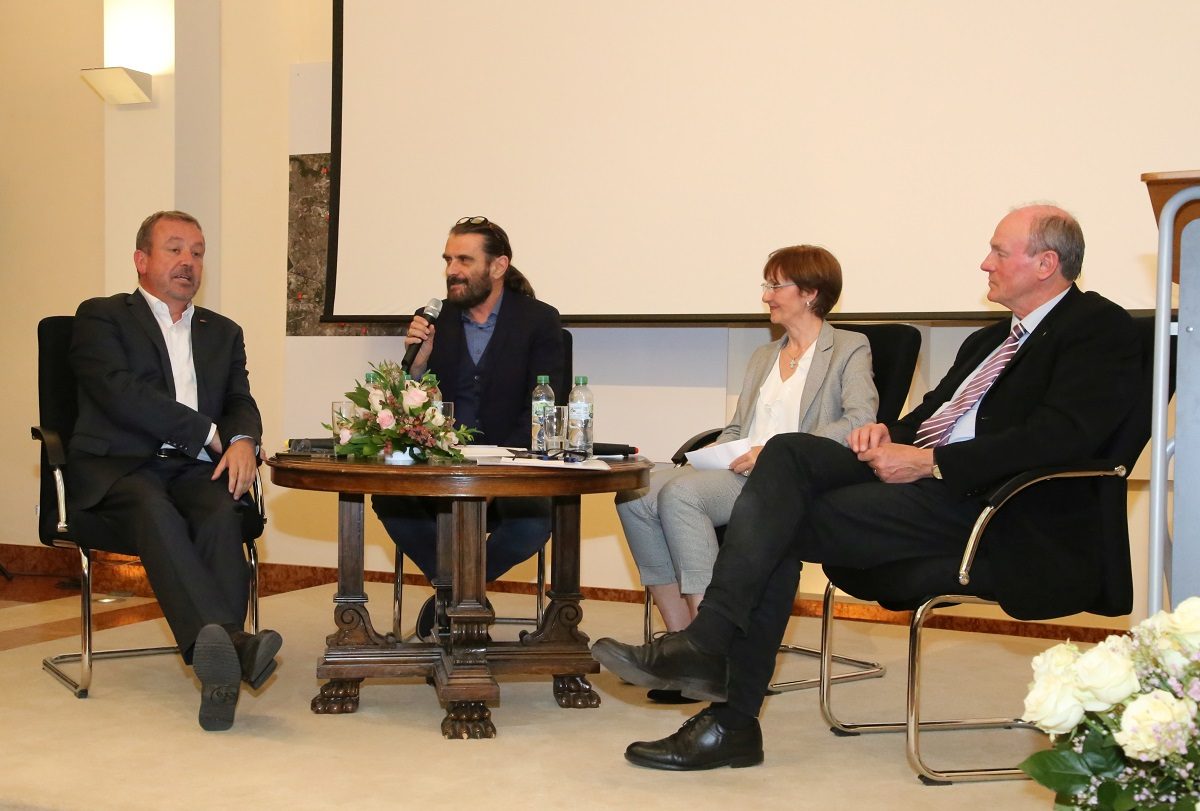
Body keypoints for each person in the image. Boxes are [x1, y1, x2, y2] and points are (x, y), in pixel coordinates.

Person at [592, 204, 1142, 770]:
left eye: (999, 252)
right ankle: (712, 667)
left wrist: (933, 462)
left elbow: (1061, 437)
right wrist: (886, 436)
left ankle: (719, 687)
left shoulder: (1098, 329)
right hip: (932, 489)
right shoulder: (987, 342)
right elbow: (929, 416)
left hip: (994, 509)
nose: (985, 263)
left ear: (1046, 263)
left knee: (777, 519)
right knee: (788, 453)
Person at [615, 245, 877, 703]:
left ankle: (709, 651)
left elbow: (858, 419)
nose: (766, 295)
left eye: (776, 286)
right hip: (740, 469)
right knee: (636, 492)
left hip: (788, 479)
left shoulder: (849, 347)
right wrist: (714, 452)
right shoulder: (763, 356)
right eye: (767, 285)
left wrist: (774, 450)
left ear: (811, 293)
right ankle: (680, 649)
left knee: (682, 497)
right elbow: (739, 428)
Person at [69, 210, 282, 732]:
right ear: (141, 259)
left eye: (198, 252)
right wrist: (208, 433)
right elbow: (121, 393)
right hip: (120, 466)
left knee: (221, 509)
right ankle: (233, 644)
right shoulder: (101, 316)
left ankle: (220, 669)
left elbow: (239, 400)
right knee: (153, 507)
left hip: (192, 470)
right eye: (175, 249)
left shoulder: (222, 332)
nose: (188, 261)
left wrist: (242, 441)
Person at [372, 216, 565, 640]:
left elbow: (546, 407)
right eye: (448, 260)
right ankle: (462, 595)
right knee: (389, 496)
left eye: (464, 260)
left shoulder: (538, 321)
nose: (452, 270)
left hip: (513, 468)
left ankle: (453, 595)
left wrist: (496, 472)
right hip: (442, 468)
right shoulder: (433, 320)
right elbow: (406, 410)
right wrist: (418, 365)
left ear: (498, 266)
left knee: (533, 523)